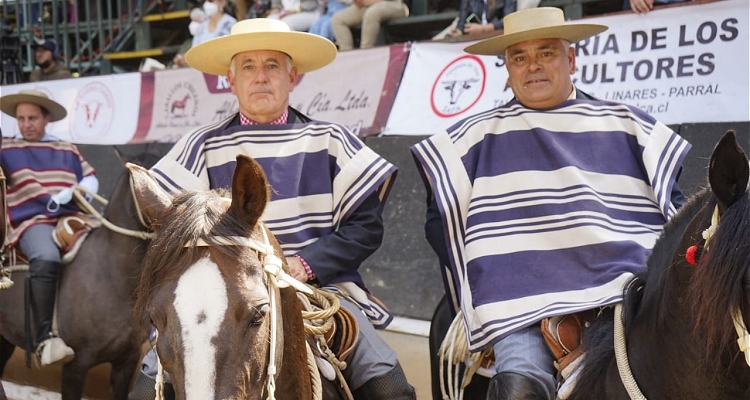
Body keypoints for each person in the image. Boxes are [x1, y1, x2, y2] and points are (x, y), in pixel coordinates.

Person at [128, 18, 416, 400]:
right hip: (222, 297)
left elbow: (364, 226)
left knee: (388, 385)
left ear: (292, 76)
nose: (260, 77)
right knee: (145, 389)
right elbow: (171, 231)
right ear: (230, 80)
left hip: (319, 290)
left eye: (272, 66)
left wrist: (305, 265)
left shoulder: (330, 140)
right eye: (248, 66)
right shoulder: (201, 146)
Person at [411, 7, 690, 400]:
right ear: (506, 69)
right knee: (520, 385)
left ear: (571, 59)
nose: (533, 66)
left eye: (546, 53)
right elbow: (439, 221)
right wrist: (492, 271)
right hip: (519, 302)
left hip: (623, 295)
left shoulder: (629, 127)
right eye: (519, 57)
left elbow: (674, 215)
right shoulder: (469, 142)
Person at [0, 90, 99, 366]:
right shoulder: (5, 148)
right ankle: (44, 340)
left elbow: (90, 178)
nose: (26, 124)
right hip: (31, 221)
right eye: (20, 118)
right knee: (45, 257)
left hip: (75, 216)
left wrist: (79, 191)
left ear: (46, 119)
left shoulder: (66, 147)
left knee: (108, 250)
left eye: (32, 118)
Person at [173, 0, 237, 68]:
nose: (206, 4)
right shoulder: (202, 27)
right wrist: (184, 59)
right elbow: (194, 50)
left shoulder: (230, 24)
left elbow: (228, 51)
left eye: (210, 1)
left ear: (222, 3)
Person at [330, 0, 408, 51]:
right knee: (338, 19)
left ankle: (366, 51)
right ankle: (346, 54)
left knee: (371, 14)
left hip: (396, 4)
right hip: (367, 6)